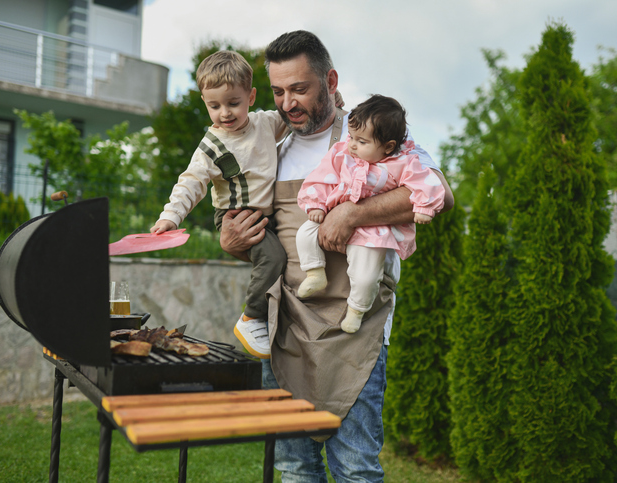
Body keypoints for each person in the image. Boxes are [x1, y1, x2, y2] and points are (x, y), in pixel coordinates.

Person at [219, 31, 454, 482]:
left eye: (300, 88)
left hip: (354, 333)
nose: (289, 102)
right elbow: (265, 241)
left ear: (330, 80)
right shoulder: (272, 150)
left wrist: (353, 212)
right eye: (279, 91)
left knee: (355, 470)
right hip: (284, 330)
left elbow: (440, 191)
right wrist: (232, 243)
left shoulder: (375, 135)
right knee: (294, 471)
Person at [150, 50, 289, 359]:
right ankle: (252, 317)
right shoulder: (211, 146)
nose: (224, 112)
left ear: (251, 97)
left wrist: (331, 101)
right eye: (214, 106)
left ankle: (273, 316)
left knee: (290, 258)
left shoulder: (266, 123)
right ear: (205, 102)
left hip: (267, 214)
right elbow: (191, 183)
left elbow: (296, 116)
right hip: (235, 216)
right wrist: (171, 216)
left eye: (233, 103)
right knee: (274, 257)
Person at [296, 94, 445, 333]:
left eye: (362, 141)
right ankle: (314, 272)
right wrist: (316, 204)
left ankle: (356, 309)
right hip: (330, 212)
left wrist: (424, 207)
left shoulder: (403, 162)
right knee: (304, 233)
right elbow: (322, 176)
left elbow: (427, 183)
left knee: (367, 273)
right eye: (351, 136)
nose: (353, 144)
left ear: (388, 146)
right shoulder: (342, 153)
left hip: (371, 230)